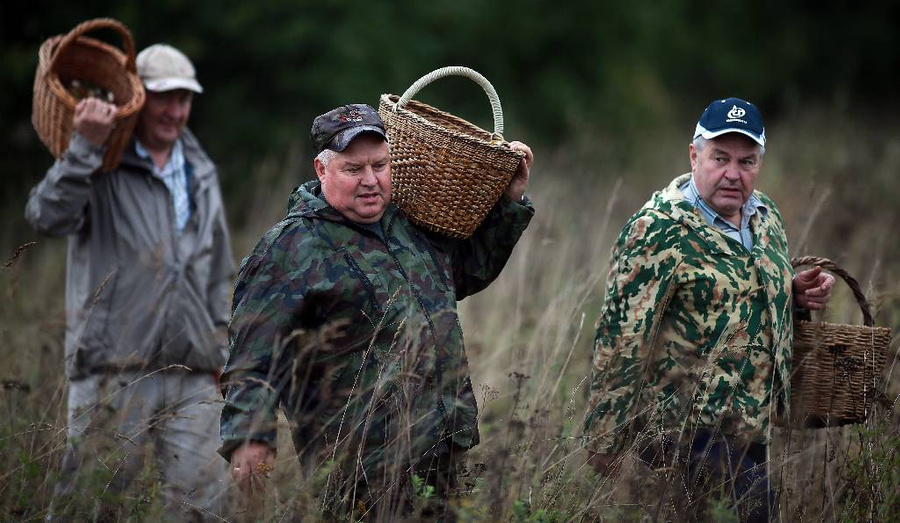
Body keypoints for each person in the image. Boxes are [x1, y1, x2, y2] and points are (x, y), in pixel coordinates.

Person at [219, 104, 534, 519]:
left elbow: (460, 276)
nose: (371, 181)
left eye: (380, 165)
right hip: (361, 467)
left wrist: (508, 205)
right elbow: (253, 360)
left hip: (442, 451)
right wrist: (250, 437)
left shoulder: (407, 222)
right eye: (354, 169)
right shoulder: (290, 248)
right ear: (321, 169)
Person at [583, 97, 834, 521]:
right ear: (694, 155)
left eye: (747, 161)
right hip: (684, 425)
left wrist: (789, 293)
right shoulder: (657, 229)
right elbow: (622, 336)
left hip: (749, 421)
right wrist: (605, 438)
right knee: (756, 512)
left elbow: (735, 291)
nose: (733, 173)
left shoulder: (765, 217)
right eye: (720, 158)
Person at [26, 43, 234, 520]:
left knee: (205, 509)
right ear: (137, 97)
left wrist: (220, 353)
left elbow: (217, 270)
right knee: (92, 507)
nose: (176, 110)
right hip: (113, 373)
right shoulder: (100, 164)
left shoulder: (200, 170)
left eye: (185, 98)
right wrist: (83, 148)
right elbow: (44, 217)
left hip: (193, 375)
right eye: (165, 97)